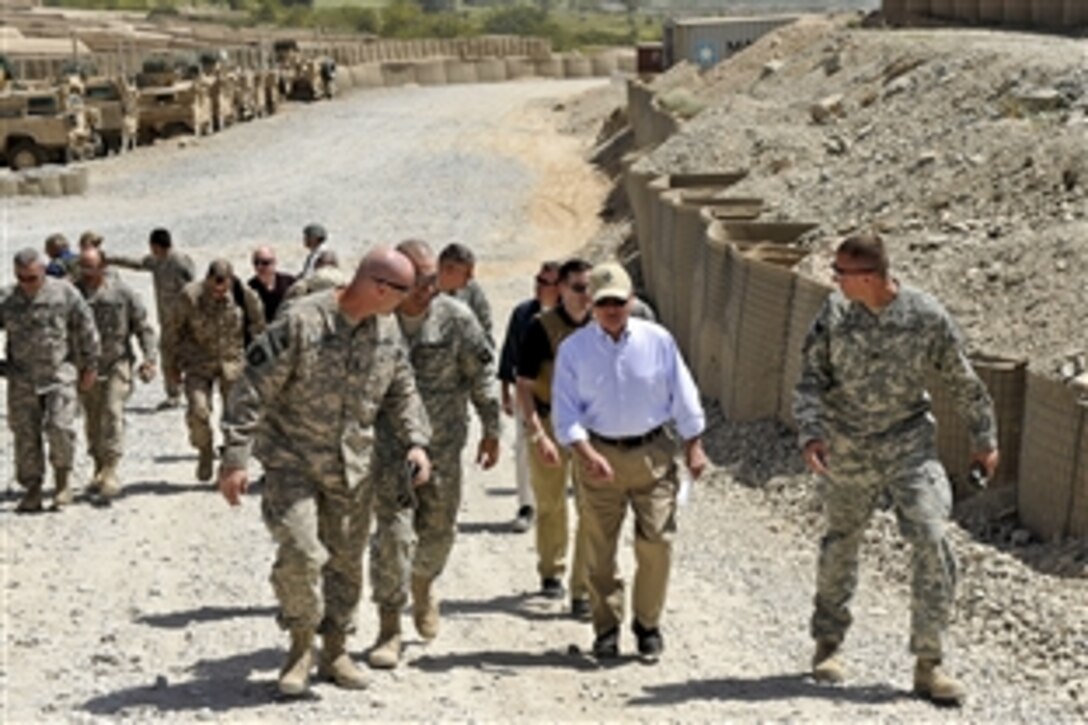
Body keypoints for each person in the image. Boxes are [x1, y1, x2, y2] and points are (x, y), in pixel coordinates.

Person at [793, 233, 999, 706]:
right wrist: (812, 432)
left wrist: (983, 438)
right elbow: (810, 380)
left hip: (909, 445)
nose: (834, 281)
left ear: (867, 277)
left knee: (932, 535)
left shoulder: (924, 316)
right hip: (848, 445)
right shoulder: (834, 314)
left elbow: (961, 379)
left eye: (840, 273)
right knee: (841, 540)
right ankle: (828, 643)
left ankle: (930, 664)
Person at [217, 246, 432, 697]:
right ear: (378, 287)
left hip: (352, 467)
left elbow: (403, 390)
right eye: (404, 290)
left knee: (345, 563)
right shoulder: (300, 322)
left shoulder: (388, 329)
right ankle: (299, 647)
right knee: (299, 550)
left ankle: (335, 650)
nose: (411, 299)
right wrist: (235, 456)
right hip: (292, 460)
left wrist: (416, 441)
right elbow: (251, 386)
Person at [552, 262, 707, 662]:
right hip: (598, 456)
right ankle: (606, 628)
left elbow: (683, 394)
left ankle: (647, 623)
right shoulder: (574, 351)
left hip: (652, 455)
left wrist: (694, 444)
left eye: (618, 302)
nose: (612, 310)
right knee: (600, 549)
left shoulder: (658, 341)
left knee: (657, 541)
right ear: (591, 305)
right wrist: (585, 453)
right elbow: (565, 413)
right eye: (603, 303)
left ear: (631, 300)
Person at [368, 239, 500, 669]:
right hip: (389, 446)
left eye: (432, 279)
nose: (429, 288)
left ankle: (423, 583)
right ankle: (389, 628)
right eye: (420, 280)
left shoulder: (455, 319)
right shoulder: (375, 321)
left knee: (439, 529)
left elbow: (480, 375)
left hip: (443, 445)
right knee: (392, 534)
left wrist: (492, 427)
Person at [516, 258, 593, 618]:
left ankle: (583, 587)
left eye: (591, 288)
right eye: (578, 288)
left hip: (591, 427)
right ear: (560, 289)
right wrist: (537, 434)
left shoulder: (602, 325)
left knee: (592, 508)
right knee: (550, 502)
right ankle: (552, 570)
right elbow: (525, 387)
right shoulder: (541, 328)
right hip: (550, 422)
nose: (586, 296)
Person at [0, 248, 99, 512]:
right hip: (21, 378)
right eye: (20, 277)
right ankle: (32, 488)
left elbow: (86, 328)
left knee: (59, 428)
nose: (26, 284)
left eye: (31, 278)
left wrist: (90, 366)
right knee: (25, 436)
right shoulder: (7, 299)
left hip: (59, 375)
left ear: (43, 271)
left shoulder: (64, 294)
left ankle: (63, 482)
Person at [168, 259, 264, 482]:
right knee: (198, 411)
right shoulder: (190, 296)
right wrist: (170, 366)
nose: (219, 293)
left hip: (232, 362)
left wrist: (258, 360)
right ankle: (205, 449)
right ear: (208, 279)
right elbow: (172, 332)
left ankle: (228, 464)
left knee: (235, 418)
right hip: (197, 362)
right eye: (214, 288)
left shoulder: (243, 294)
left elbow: (259, 324)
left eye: (224, 289)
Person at [75, 247, 157, 501]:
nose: (87, 273)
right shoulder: (72, 294)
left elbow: (143, 328)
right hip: (85, 367)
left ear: (103, 266)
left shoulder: (122, 294)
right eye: (83, 267)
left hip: (116, 364)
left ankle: (111, 470)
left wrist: (149, 359)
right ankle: (98, 465)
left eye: (91, 267)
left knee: (112, 411)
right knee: (93, 417)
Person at [497, 261, 561, 533]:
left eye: (546, 282)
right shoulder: (523, 314)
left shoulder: (569, 317)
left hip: (563, 396)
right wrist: (505, 393)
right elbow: (509, 353)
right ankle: (527, 505)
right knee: (525, 448)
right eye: (538, 280)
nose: (539, 286)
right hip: (528, 394)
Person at [108, 228, 196, 410]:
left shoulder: (180, 262)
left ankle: (195, 393)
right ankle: (173, 394)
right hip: (167, 320)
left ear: (156, 245)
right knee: (168, 357)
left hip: (184, 320)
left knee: (190, 357)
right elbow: (137, 263)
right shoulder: (157, 262)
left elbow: (192, 289)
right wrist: (110, 258)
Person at [437, 242, 493, 343]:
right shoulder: (423, 293)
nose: (471, 277)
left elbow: (485, 326)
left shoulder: (472, 291)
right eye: (466, 273)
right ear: (448, 269)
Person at [247, 246, 296, 322]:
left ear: (274, 262)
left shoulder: (289, 282)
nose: (260, 267)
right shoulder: (250, 288)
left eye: (265, 263)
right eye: (256, 263)